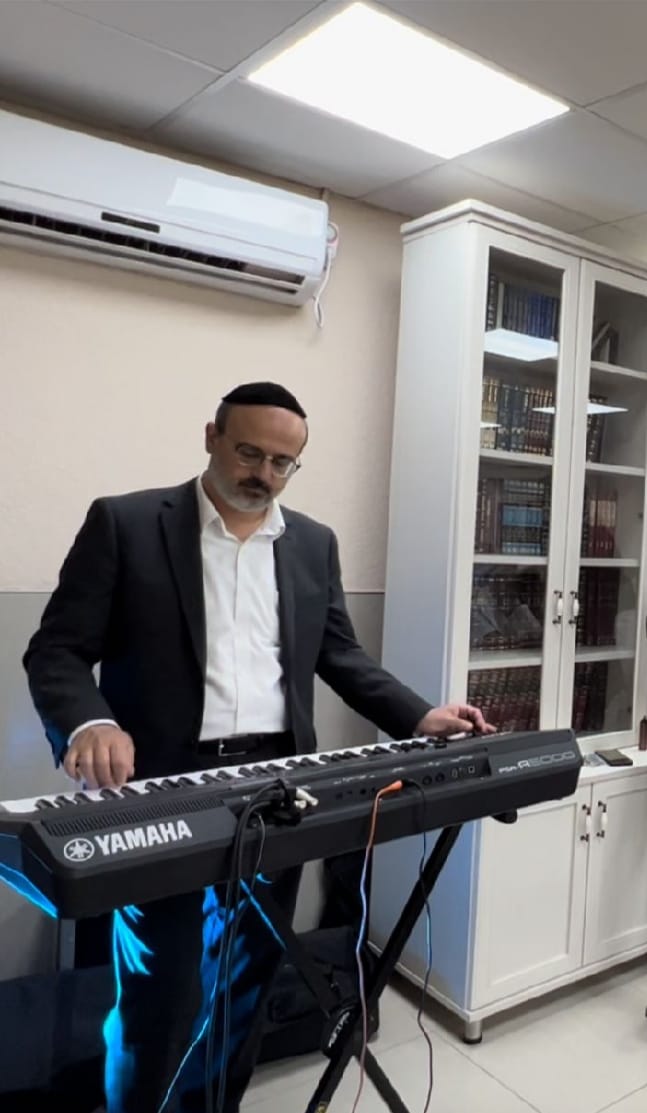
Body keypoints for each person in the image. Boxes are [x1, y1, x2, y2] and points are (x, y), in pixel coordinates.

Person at [23, 381, 494, 1113]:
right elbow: (56, 651)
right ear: (211, 435)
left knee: (245, 983)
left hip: (279, 787)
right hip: (166, 788)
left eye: (282, 463)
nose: (263, 474)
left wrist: (418, 715)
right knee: (158, 992)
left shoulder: (312, 542)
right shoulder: (126, 523)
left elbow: (340, 655)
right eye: (249, 453)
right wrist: (90, 723)